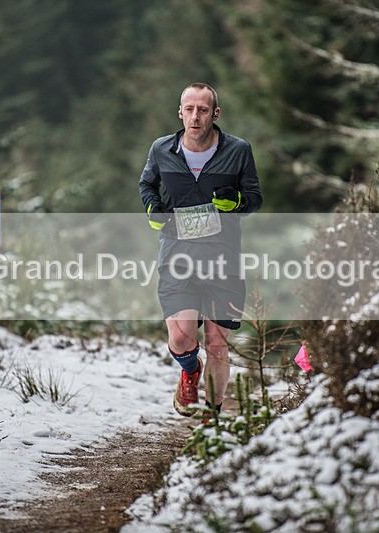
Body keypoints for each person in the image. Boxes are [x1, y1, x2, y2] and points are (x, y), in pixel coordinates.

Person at [139, 82, 263, 418]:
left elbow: (255, 198)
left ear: (215, 114)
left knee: (217, 345)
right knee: (181, 338)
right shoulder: (162, 149)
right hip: (176, 257)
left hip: (223, 261)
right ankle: (190, 370)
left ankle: (213, 419)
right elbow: (147, 183)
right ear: (180, 113)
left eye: (203, 110)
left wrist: (237, 202)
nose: (196, 116)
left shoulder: (238, 150)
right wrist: (152, 207)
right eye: (190, 109)